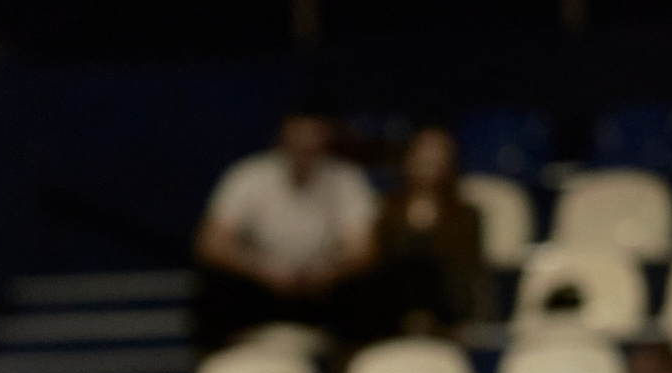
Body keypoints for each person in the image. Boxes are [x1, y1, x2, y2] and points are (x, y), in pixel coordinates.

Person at [190, 109, 378, 353]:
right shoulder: (249, 176)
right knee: (214, 290)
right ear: (283, 139)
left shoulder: (346, 179)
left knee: (365, 292)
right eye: (299, 138)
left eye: (314, 140)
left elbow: (363, 250)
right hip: (261, 285)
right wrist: (264, 270)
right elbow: (211, 243)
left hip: (321, 287)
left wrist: (327, 273)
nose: (305, 148)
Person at [356, 125, 488, 339]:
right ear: (409, 157)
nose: (430, 158)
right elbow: (379, 265)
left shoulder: (467, 215)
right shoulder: (388, 208)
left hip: (447, 310)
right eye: (424, 149)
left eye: (439, 150)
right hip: (392, 313)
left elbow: (466, 273)